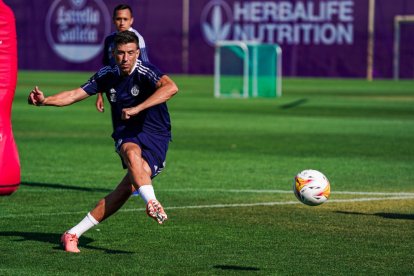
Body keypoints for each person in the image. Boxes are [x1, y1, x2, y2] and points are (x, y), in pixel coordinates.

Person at [28, 31, 178, 253]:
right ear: (113, 53)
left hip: (157, 135)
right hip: (127, 132)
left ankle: (72, 233)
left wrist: (137, 108)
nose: (125, 58)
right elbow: (74, 94)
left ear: (138, 53)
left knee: (125, 190)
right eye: (120, 53)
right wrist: (45, 101)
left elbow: (171, 88)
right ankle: (152, 202)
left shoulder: (146, 70)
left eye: (130, 53)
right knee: (130, 152)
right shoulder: (107, 74)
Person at [96, 4, 149, 113]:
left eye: (125, 19)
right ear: (113, 20)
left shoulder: (138, 39)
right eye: (118, 19)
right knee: (118, 124)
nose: (122, 22)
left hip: (133, 90)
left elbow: (145, 66)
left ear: (131, 20)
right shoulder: (110, 39)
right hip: (114, 88)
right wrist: (99, 94)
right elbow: (106, 66)